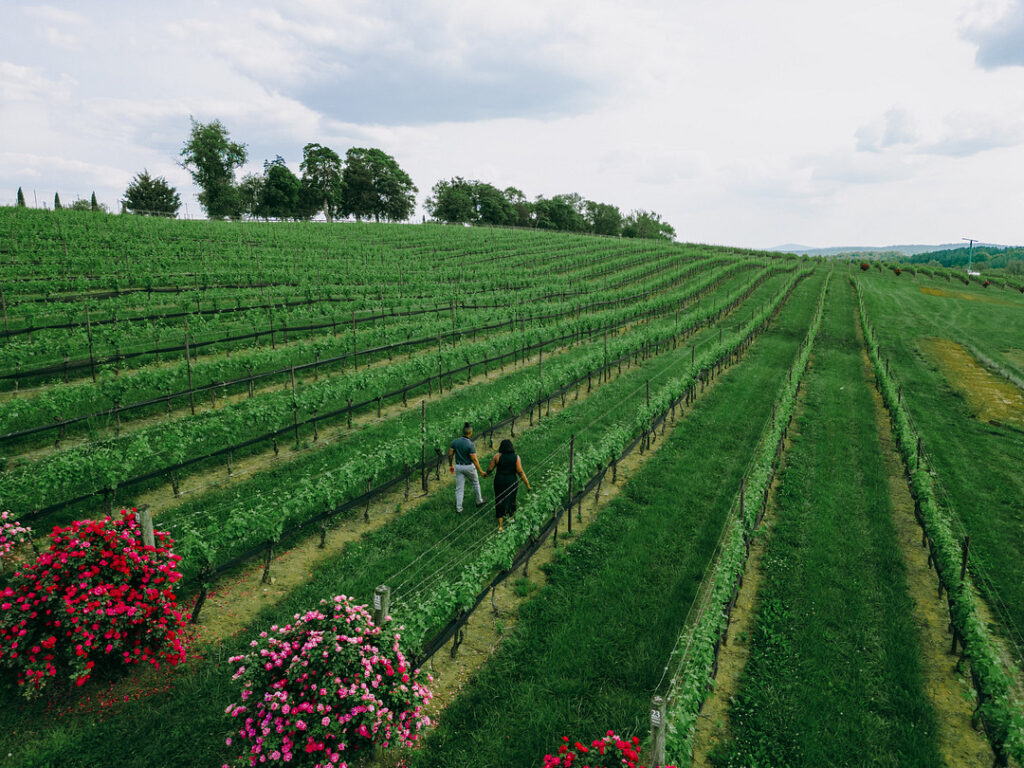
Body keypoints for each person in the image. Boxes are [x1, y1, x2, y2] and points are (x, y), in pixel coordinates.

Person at [487, 439, 530, 532]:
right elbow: (520, 472)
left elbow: (490, 469)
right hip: (511, 481)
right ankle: (511, 517)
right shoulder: (516, 457)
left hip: (499, 480)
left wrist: (485, 474)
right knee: (511, 498)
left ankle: (500, 525)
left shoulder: (497, 457)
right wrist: (527, 484)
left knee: (499, 499)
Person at [448, 422, 487, 513]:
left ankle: (459, 508)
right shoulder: (470, 444)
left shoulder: (455, 442)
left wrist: (450, 465)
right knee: (475, 483)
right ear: (470, 433)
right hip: (469, 467)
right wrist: (480, 471)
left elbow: (450, 455)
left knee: (459, 488)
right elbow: (474, 459)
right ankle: (478, 501)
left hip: (458, 466)